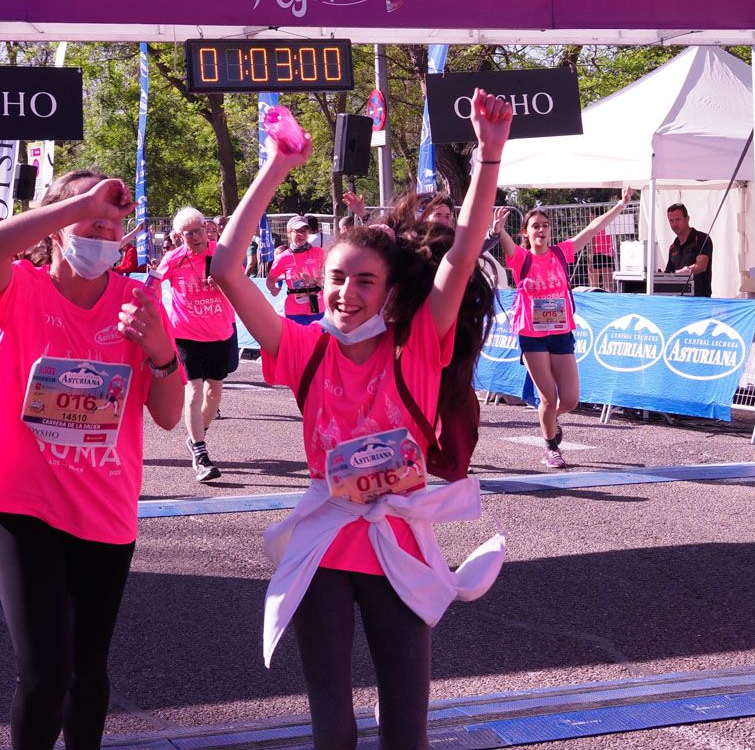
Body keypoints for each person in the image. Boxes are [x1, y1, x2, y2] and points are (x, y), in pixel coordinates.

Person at [209, 93, 511, 750]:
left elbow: (461, 255)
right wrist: (279, 164)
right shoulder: (303, 348)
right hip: (324, 547)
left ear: (393, 292)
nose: (347, 294)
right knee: (333, 729)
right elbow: (227, 270)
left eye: (365, 282)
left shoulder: (419, 345)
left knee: (406, 732)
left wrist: (489, 154)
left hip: (399, 550)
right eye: (338, 279)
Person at [0, 170, 183, 750]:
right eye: (92, 219)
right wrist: (76, 204)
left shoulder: (138, 302)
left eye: (115, 224)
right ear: (58, 228)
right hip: (23, 506)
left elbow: (167, 415)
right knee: (46, 674)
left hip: (104, 512)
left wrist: (160, 351)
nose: (105, 231)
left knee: (88, 674)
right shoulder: (23, 289)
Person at [490, 190, 634, 467]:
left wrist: (620, 205)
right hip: (532, 336)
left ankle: (550, 420)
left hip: (560, 333)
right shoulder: (521, 258)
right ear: (526, 233)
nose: (541, 230)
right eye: (535, 226)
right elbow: (505, 243)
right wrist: (497, 230)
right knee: (548, 396)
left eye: (545, 225)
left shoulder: (560, 252)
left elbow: (593, 228)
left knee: (569, 399)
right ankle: (551, 447)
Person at [161, 206, 239, 483]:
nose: (194, 237)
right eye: (187, 233)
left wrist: (224, 284)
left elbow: (240, 283)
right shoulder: (174, 259)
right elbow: (153, 282)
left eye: (197, 230)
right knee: (193, 392)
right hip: (185, 335)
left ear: (206, 229)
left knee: (214, 394)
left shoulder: (221, 254)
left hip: (219, 334)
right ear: (179, 236)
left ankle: (197, 434)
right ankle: (201, 453)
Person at [266, 216, 326, 326]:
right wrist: (273, 289)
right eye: (297, 231)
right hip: (295, 312)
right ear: (289, 233)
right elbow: (270, 280)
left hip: (317, 307)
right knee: (298, 342)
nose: (301, 235)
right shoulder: (282, 258)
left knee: (318, 342)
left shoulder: (319, 253)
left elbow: (327, 275)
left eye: (304, 231)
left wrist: (316, 281)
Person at [664, 203, 712, 296]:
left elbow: (701, 266)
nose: (674, 224)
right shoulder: (673, 247)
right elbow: (668, 273)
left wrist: (684, 271)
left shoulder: (702, 238)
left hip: (699, 300)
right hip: (678, 300)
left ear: (687, 219)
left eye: (677, 219)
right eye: (671, 220)